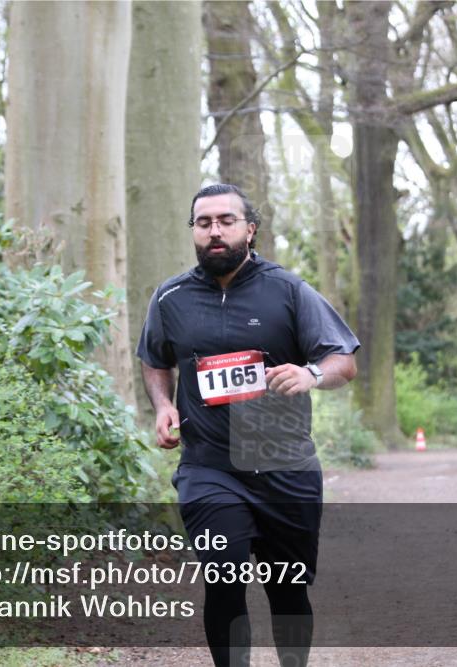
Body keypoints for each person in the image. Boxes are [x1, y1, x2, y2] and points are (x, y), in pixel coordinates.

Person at [136, 183, 360, 667]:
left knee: (289, 590)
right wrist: (161, 405)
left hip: (285, 467)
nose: (214, 231)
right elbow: (155, 359)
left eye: (226, 221)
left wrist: (311, 373)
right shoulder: (170, 297)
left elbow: (342, 360)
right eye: (204, 223)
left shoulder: (288, 290)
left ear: (250, 229)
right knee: (223, 576)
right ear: (193, 231)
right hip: (209, 467)